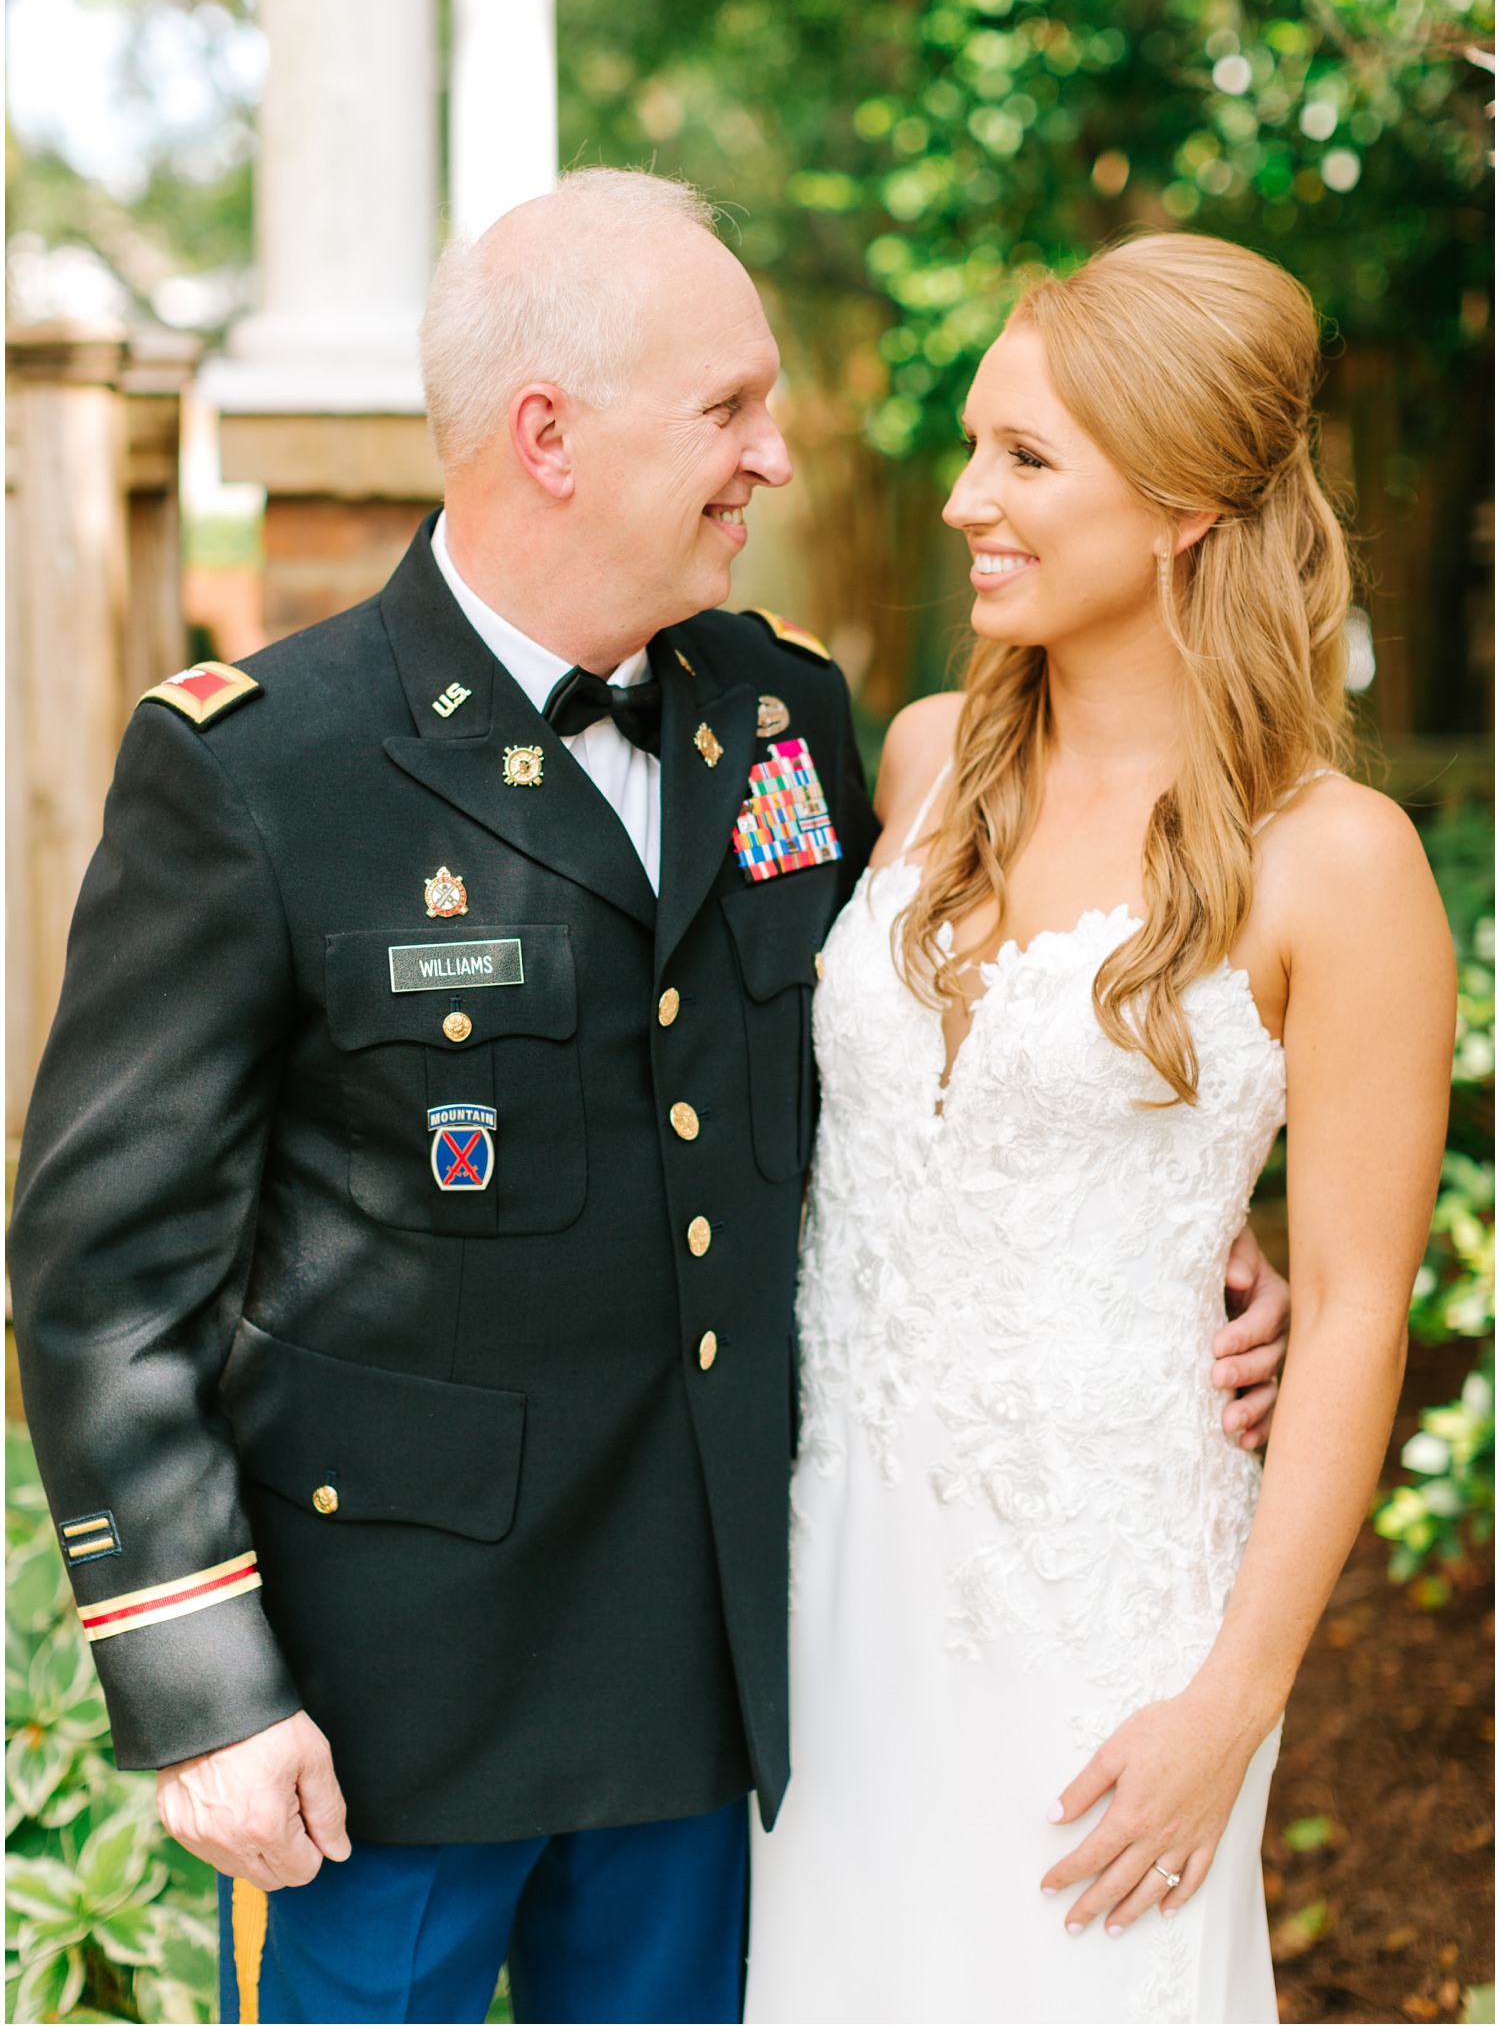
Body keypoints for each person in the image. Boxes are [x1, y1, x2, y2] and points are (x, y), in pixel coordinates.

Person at [9, 174, 1290, 2029]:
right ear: (550, 436)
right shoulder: (260, 769)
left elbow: (916, 1058)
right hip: (385, 1725)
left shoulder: (783, 717)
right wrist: (206, 1687)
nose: (772, 455)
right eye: (728, 411)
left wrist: (1194, 1208)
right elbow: (103, 1275)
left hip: (706, 1702)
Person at [744, 232, 1455, 2025]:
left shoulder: (1340, 864)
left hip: (1107, 1612)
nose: (969, 498)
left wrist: (1233, 1708)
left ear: (1190, 501)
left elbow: (1363, 1313)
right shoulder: (913, 763)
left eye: (1028, 458)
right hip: (829, 1577)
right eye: (976, 446)